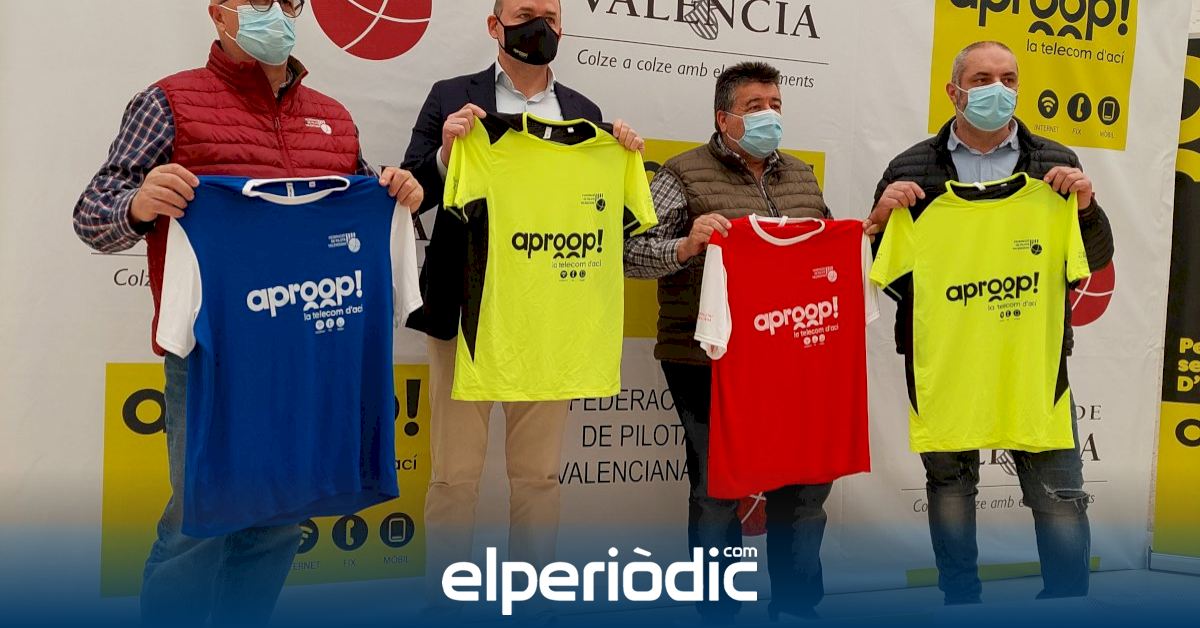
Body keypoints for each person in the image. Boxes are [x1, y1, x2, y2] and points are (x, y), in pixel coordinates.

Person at [72, 1, 422, 624]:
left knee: (282, 518)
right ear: (219, 12)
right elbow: (91, 215)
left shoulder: (334, 117)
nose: (276, 13)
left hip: (306, 355)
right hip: (213, 359)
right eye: (259, 1)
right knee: (199, 525)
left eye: (288, 2)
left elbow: (363, 199)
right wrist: (139, 204)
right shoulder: (168, 102)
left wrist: (398, 194)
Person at [401, 0, 644, 615]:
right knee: (455, 475)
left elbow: (608, 221)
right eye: (526, 12)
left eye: (551, 16)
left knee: (539, 475)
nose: (541, 26)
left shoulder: (585, 112)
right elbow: (413, 191)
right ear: (495, 25)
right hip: (464, 311)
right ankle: (446, 601)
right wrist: (448, 153)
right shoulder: (451, 96)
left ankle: (532, 599)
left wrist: (622, 155)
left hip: (548, 316)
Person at [864, 40, 1115, 605]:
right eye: (981, 79)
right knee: (950, 489)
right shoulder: (910, 169)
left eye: (1008, 78)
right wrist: (881, 223)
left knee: (1060, 492)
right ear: (954, 91)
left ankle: (1068, 601)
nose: (996, 89)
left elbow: (1093, 258)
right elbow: (888, 273)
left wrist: (1085, 209)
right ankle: (961, 601)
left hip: (1031, 362)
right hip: (944, 361)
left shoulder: (1055, 164)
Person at [624, 61, 833, 623]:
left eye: (775, 105)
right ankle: (718, 610)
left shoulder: (802, 176)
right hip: (706, 357)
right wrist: (686, 246)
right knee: (717, 488)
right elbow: (631, 252)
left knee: (804, 482)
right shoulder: (680, 172)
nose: (769, 115)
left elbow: (825, 250)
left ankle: (797, 605)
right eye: (754, 106)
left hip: (790, 353)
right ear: (724, 118)